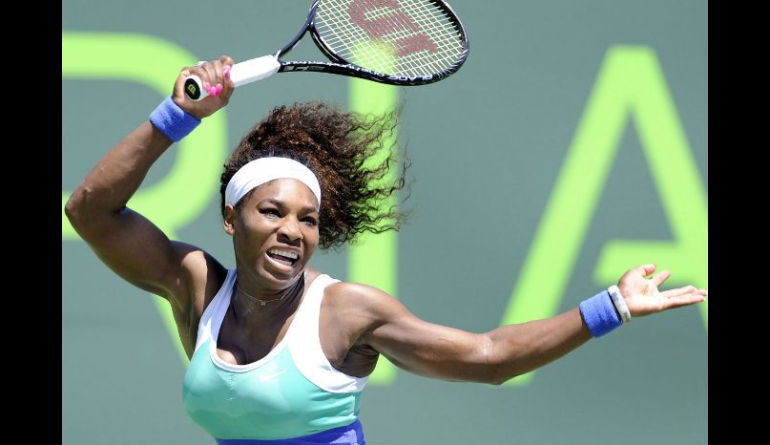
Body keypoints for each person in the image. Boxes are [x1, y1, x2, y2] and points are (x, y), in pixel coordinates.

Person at [65, 56, 707, 445]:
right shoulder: (196, 287)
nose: (293, 231)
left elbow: (489, 358)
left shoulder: (346, 313)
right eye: (272, 212)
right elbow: (89, 211)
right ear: (231, 220)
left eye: (308, 220)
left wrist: (611, 307)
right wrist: (175, 116)